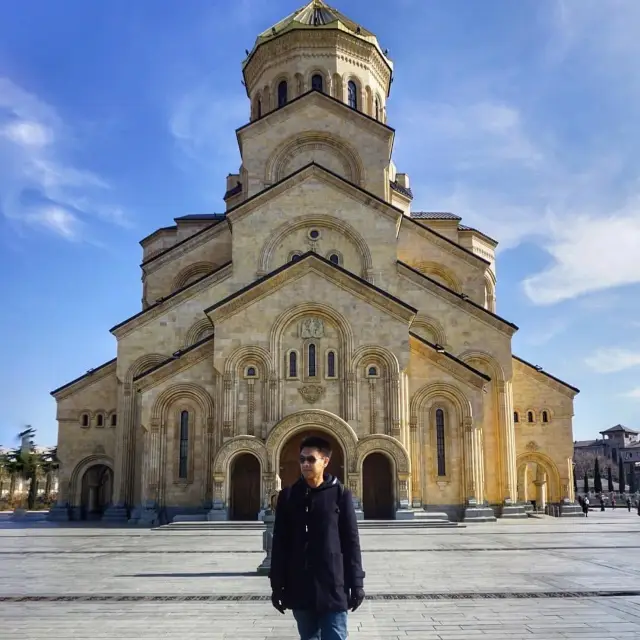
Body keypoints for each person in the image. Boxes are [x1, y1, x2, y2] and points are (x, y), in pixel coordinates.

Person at [269, 435, 365, 640]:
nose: (305, 464)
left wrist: (356, 583)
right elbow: (280, 543)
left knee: (336, 636)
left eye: (311, 459)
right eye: (302, 459)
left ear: (325, 461)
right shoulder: (288, 496)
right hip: (301, 585)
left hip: (333, 585)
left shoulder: (340, 494)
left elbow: (351, 542)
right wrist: (277, 586)